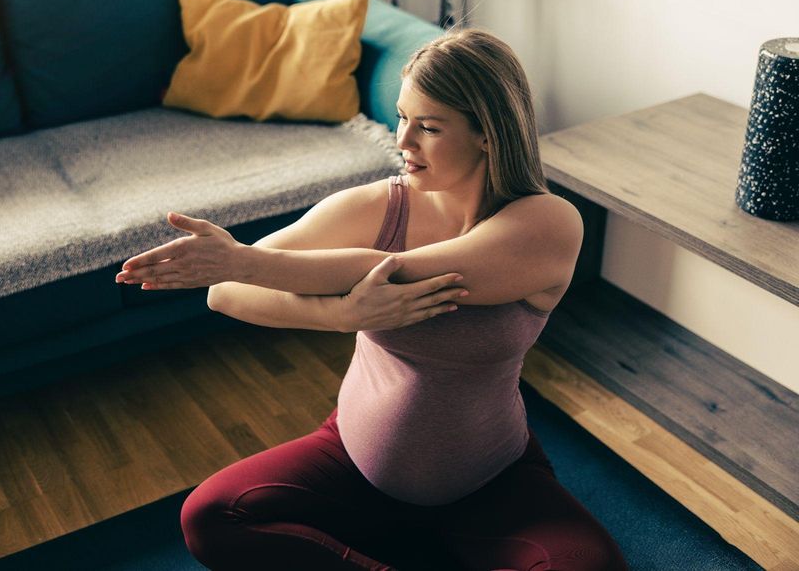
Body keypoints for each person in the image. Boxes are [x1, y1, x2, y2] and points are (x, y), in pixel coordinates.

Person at [116, 28, 630, 570]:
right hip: (353, 464)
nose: (402, 142)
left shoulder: (547, 222)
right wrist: (340, 314)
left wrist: (245, 258)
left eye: (428, 127)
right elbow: (225, 293)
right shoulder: (376, 209)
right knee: (210, 515)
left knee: (591, 567)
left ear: (489, 134)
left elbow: (398, 273)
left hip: (489, 481)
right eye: (402, 117)